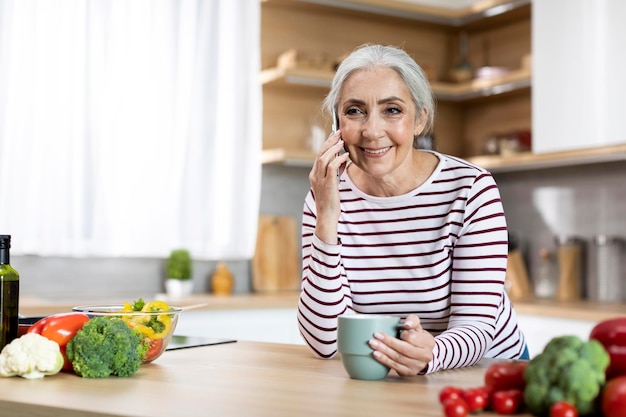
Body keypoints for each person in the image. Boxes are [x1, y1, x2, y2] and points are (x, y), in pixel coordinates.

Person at [297, 44, 527, 376]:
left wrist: (432, 353)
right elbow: (324, 341)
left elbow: (477, 327)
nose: (372, 131)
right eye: (354, 111)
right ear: (337, 125)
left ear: (420, 119)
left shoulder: (470, 188)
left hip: (491, 371)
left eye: (392, 110)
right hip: (391, 376)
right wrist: (327, 216)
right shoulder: (325, 198)